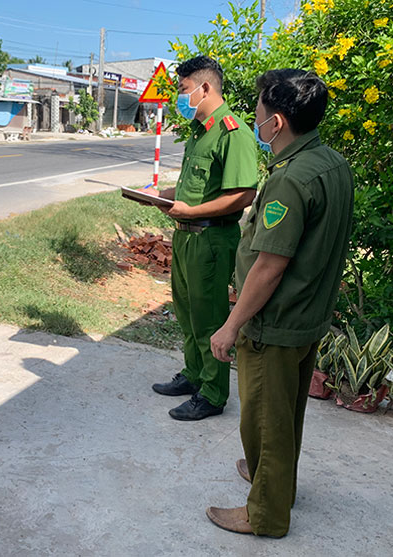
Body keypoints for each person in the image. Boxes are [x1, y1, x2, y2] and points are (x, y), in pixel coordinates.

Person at [206, 69, 354, 537]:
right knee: (286, 413)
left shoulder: (291, 180)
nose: (255, 118)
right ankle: (274, 481)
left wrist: (231, 325)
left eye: (259, 112)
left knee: (264, 420)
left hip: (275, 322)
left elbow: (269, 265)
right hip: (307, 317)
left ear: (278, 122)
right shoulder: (332, 163)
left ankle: (265, 514)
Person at [148, 56, 258, 420]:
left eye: (183, 90)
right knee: (187, 313)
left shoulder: (233, 132)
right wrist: (164, 194)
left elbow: (243, 194)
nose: (181, 98)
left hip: (211, 239)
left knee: (209, 318)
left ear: (205, 87)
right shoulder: (201, 132)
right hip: (185, 237)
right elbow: (200, 187)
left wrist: (191, 212)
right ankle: (194, 375)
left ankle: (212, 394)